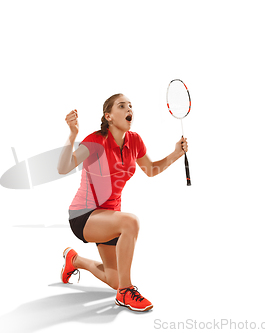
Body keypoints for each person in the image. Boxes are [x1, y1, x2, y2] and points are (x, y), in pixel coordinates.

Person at [57, 93, 189, 312]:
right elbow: (63, 168)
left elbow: (151, 170)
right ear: (108, 116)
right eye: (122, 106)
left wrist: (176, 154)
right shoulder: (96, 140)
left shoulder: (135, 141)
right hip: (84, 216)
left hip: (110, 218)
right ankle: (126, 292)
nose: (129, 109)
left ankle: (75, 260)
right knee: (131, 222)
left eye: (130, 106)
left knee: (114, 279)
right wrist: (72, 134)